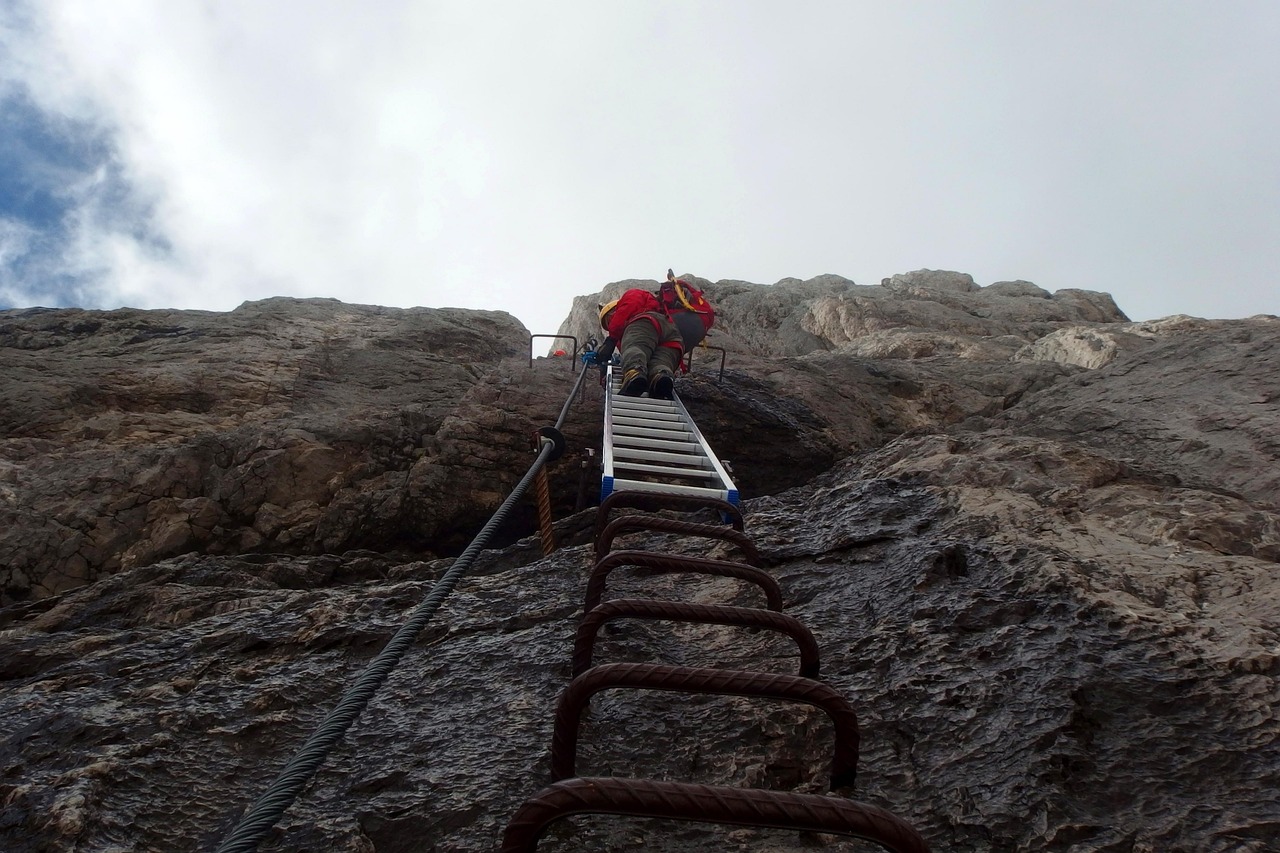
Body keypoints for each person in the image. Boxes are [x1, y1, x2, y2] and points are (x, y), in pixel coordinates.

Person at [594, 289, 683, 398]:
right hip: (671, 333)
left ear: (613, 311)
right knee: (661, 362)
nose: (610, 325)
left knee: (634, 349)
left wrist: (611, 339)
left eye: (608, 322)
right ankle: (660, 378)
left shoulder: (630, 296)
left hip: (645, 323)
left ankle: (634, 373)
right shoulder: (654, 305)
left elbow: (623, 316)